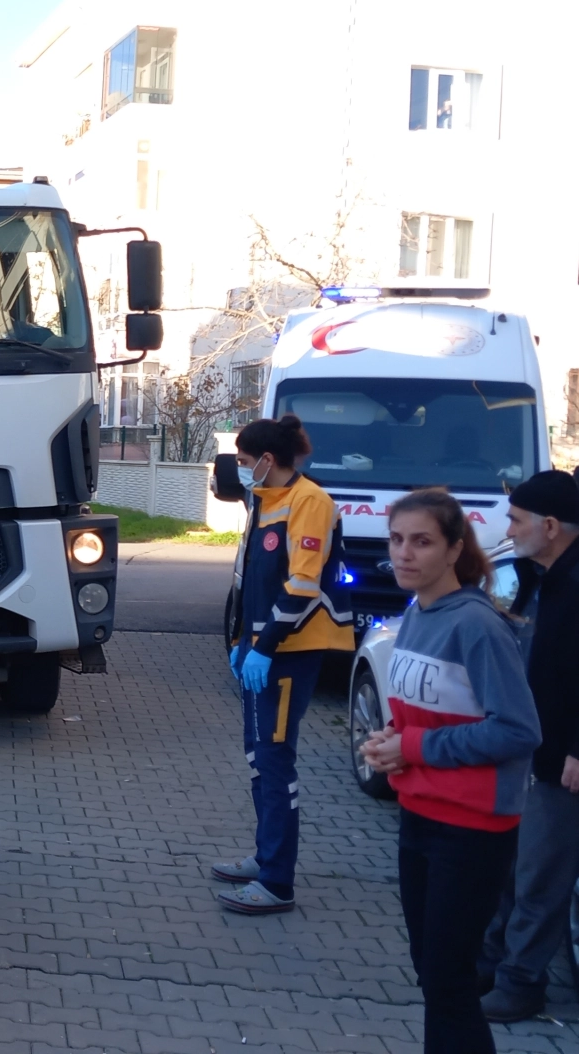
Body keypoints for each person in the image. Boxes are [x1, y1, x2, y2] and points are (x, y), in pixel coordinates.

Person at [361, 489, 541, 1054]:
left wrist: (413, 745)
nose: (405, 553)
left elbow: (517, 730)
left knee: (449, 980)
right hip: (419, 813)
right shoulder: (417, 614)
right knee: (432, 971)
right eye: (397, 540)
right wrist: (391, 740)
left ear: (454, 549)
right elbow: (428, 713)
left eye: (422, 541)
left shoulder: (478, 626)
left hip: (472, 827)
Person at [213, 415, 354, 914]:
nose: (242, 470)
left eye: (247, 462)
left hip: (290, 652)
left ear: (269, 461)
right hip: (260, 650)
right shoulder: (265, 502)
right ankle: (264, 855)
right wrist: (239, 638)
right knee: (258, 759)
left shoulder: (309, 502)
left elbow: (302, 585)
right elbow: (252, 580)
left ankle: (277, 881)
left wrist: (266, 645)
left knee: (275, 762)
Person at [476, 470, 579, 1022]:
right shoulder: (540, 576)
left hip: (562, 759)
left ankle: (522, 983)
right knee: (513, 866)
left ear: (551, 525)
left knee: (541, 873)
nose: (508, 529)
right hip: (529, 751)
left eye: (517, 520)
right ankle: (492, 963)